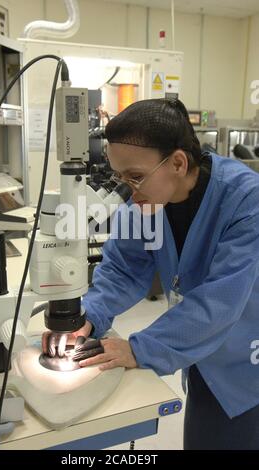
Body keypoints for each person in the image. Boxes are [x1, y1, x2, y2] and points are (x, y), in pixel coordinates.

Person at [47, 98, 259, 449]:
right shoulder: (145, 201)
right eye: (120, 178)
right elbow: (123, 269)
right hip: (201, 350)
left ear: (177, 162)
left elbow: (219, 303)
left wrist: (139, 349)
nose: (127, 190)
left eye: (135, 177)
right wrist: (87, 318)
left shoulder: (245, 201)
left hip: (245, 360)